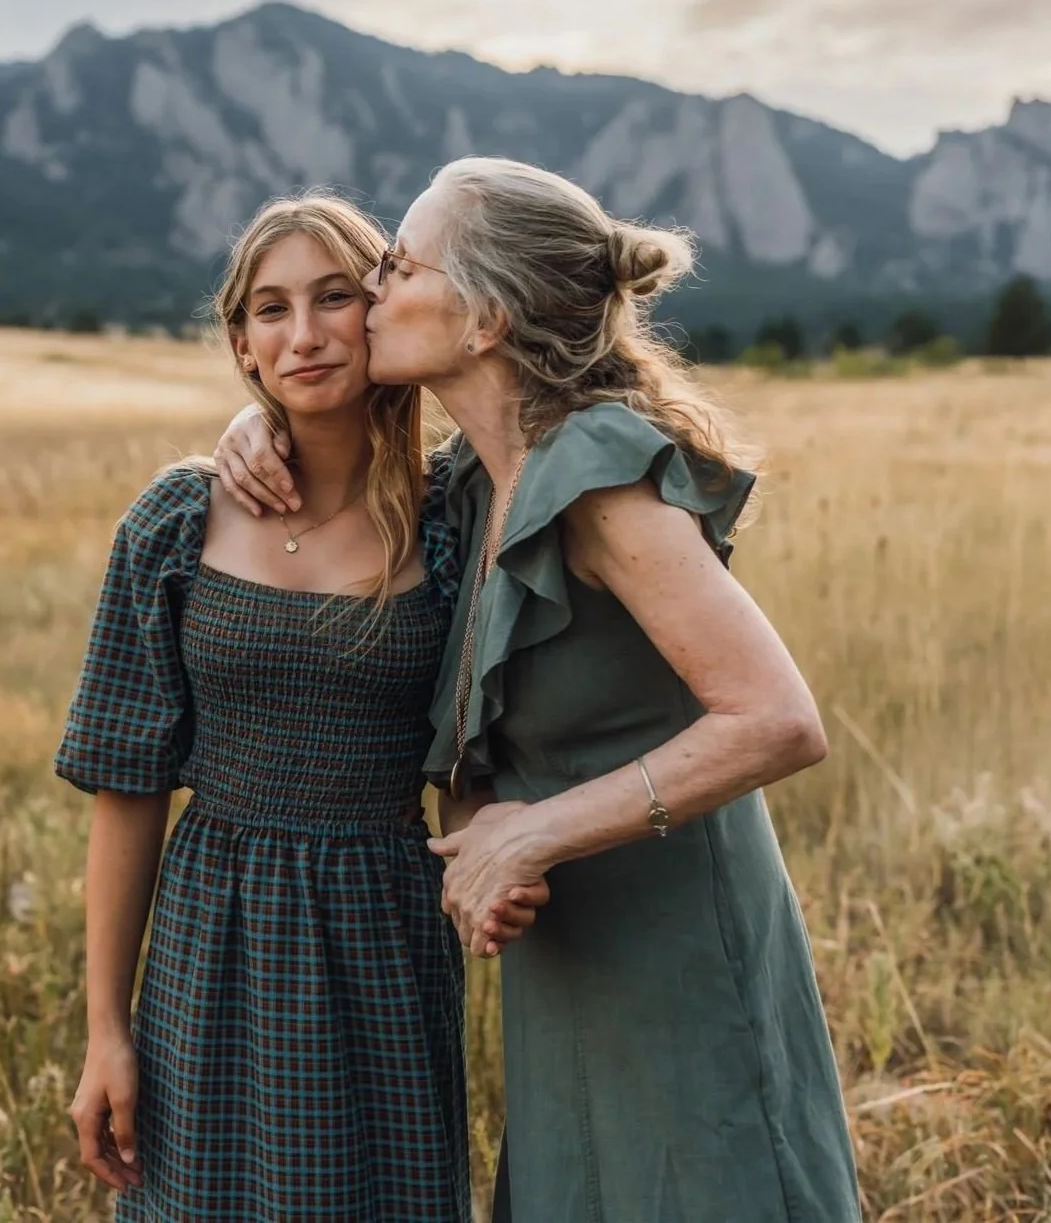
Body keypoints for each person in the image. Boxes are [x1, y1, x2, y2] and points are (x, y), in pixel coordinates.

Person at [215, 158, 862, 1222]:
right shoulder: (473, 486)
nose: (370, 291)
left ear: (483, 320)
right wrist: (260, 427)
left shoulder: (597, 475)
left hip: (679, 958)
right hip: (566, 963)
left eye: (398, 266)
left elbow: (778, 720)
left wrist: (529, 836)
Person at [55, 193, 543, 1223]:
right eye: (271, 311)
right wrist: (107, 1030)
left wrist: (491, 867)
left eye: (334, 298)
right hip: (210, 934)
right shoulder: (177, 520)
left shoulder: (454, 518)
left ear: (382, 315)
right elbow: (127, 786)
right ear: (241, 344)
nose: (306, 333)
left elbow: (467, 758)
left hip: (380, 936)